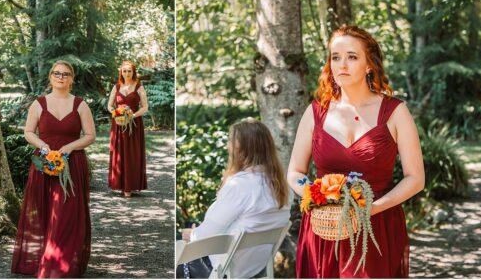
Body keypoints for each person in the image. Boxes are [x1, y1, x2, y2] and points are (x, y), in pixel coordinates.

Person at [288, 26, 425, 278]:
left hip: (377, 226)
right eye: (335, 57)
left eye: (352, 56)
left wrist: (371, 209)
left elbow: (415, 178)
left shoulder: (395, 112)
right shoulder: (316, 111)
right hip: (323, 230)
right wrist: (316, 197)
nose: (342, 64)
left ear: (369, 64)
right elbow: (295, 172)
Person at [12, 61, 95, 278]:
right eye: (57, 73)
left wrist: (68, 147)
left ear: (72, 79)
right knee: (46, 210)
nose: (61, 77)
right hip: (44, 164)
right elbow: (29, 132)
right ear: (50, 77)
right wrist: (44, 147)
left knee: (66, 212)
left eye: (66, 74)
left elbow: (90, 135)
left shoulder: (80, 105)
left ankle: (61, 263)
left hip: (72, 165)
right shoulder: (38, 104)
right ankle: (45, 258)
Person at [178, 120, 291, 279]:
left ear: (242, 149)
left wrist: (190, 234)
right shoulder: (281, 185)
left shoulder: (240, 185)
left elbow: (205, 234)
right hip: (254, 267)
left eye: (231, 141)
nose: (227, 147)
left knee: (177, 243)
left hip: (225, 268)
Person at [108, 59, 148, 197]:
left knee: (132, 154)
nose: (127, 73)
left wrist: (132, 116)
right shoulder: (117, 87)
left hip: (134, 125)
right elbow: (109, 105)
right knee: (119, 152)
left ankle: (129, 186)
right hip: (118, 124)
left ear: (133, 72)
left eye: (129, 71)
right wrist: (116, 114)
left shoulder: (139, 87)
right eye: (124, 71)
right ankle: (119, 183)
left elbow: (145, 107)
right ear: (121, 72)